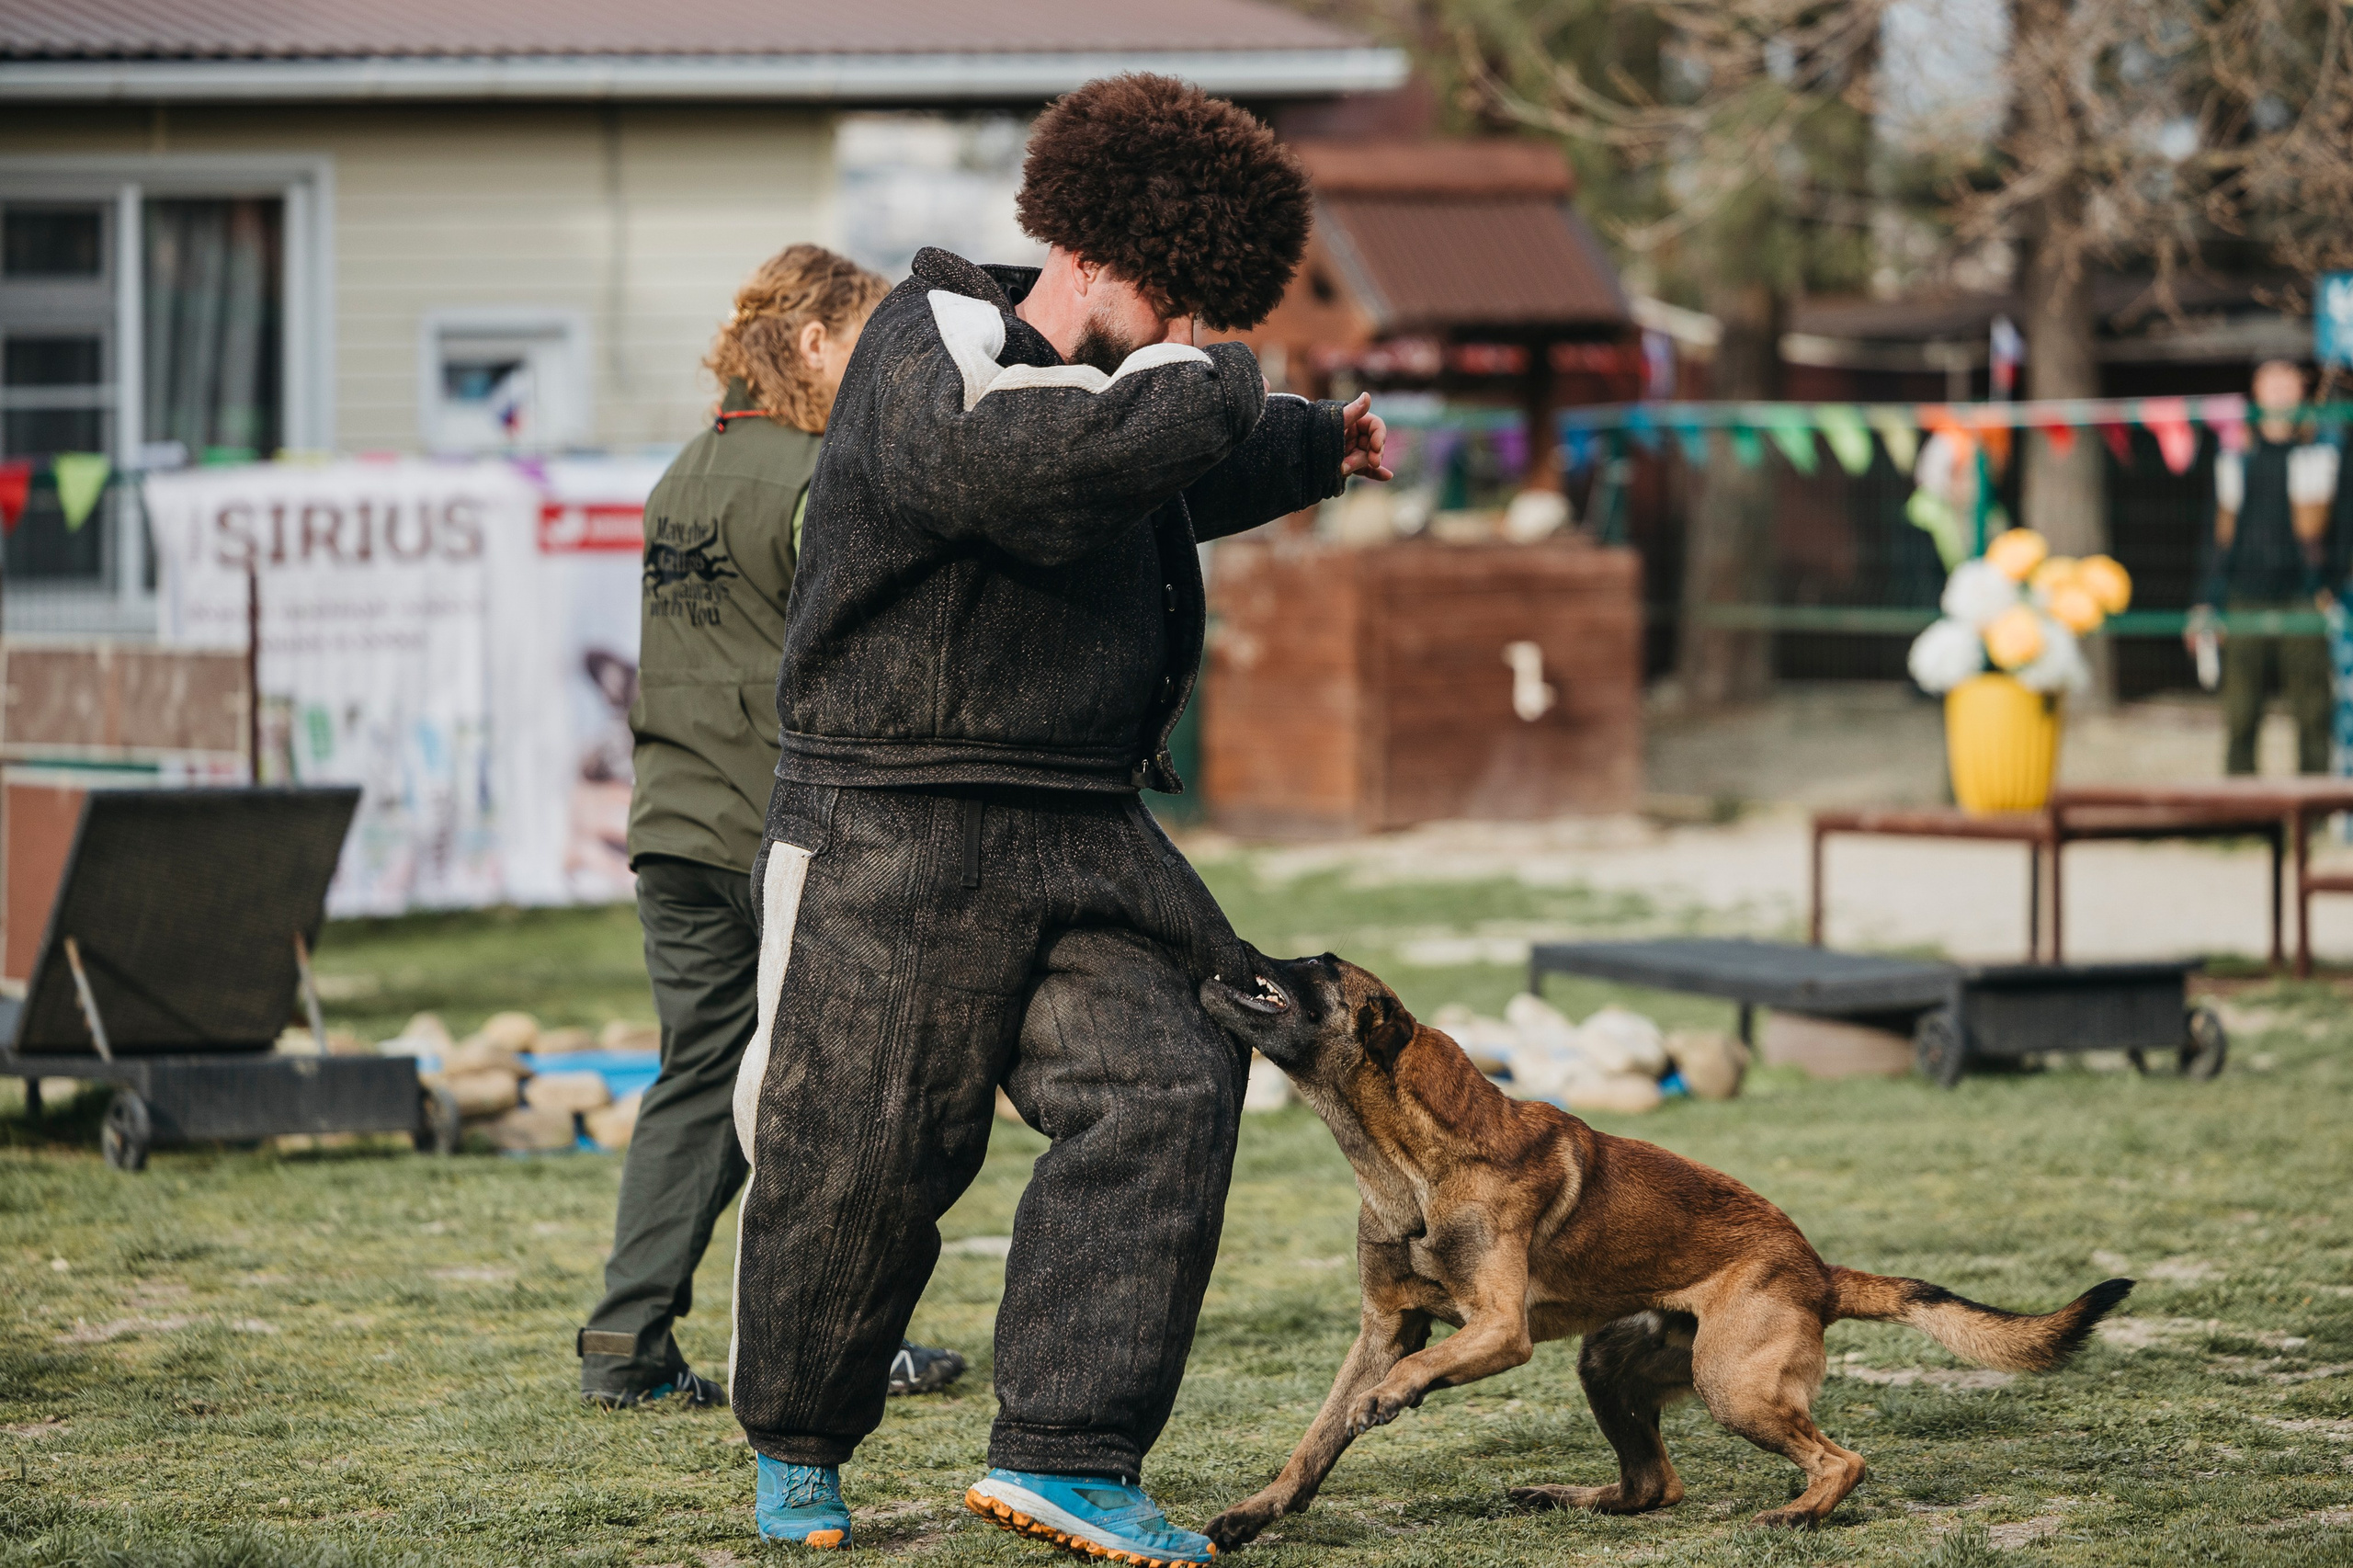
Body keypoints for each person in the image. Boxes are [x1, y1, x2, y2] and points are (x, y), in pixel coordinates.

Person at [733, 75, 1391, 1559]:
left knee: (1171, 1075)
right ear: (1089, 246)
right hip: (894, 817)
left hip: (1080, 823)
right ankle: (798, 1441)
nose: (1185, 336)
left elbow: (1162, 471)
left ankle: (1067, 1448)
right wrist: (1226, 375)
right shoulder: (933, 341)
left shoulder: (1120, 393)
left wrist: (1310, 446)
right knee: (865, 1142)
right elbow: (1044, 458)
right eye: (1179, 303)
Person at [577, 244, 967, 1410]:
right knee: (842, 1091)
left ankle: (625, 1342)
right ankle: (837, 1341)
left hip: (672, 831)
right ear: (810, 343)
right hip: (787, 836)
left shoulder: (679, 478)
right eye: (865, 340)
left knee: (699, 1079)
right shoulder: (819, 480)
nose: (881, 366)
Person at [2188, 358, 2345, 774]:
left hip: (2304, 597)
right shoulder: (2233, 455)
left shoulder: (2326, 452)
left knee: (2313, 710)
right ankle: (2240, 819)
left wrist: (2331, 585)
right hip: (2243, 595)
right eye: (2269, 382)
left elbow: (2344, 527)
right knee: (2241, 712)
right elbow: (2214, 535)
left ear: (2301, 389)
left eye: (2286, 381)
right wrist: (2206, 601)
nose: (2278, 391)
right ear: (2255, 391)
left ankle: (2313, 818)